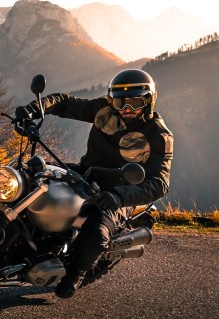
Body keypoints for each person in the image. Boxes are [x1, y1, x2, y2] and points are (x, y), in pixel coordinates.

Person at [34, 69, 174, 299]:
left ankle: (76, 274)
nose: (126, 109)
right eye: (119, 102)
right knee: (35, 172)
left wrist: (120, 197)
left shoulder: (159, 136)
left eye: (134, 103)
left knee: (97, 230)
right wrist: (36, 108)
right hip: (87, 172)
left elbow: (159, 184)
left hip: (121, 190)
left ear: (148, 102)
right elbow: (66, 103)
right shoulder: (105, 111)